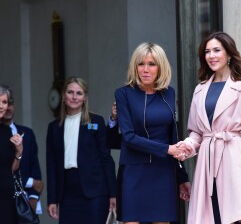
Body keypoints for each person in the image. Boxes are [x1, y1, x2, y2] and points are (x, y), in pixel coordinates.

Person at [175, 31, 241, 224]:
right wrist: (187, 146)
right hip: (206, 161)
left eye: (216, 50)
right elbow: (196, 131)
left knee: (234, 217)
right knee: (209, 216)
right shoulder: (200, 89)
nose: (211, 56)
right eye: (207, 51)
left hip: (233, 158)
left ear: (229, 54)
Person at [114, 42, 191, 224]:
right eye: (141, 64)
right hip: (133, 171)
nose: (145, 69)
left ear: (160, 67)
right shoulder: (123, 94)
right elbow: (129, 137)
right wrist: (167, 149)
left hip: (163, 171)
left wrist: (182, 177)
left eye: (152, 64)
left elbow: (173, 136)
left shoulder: (169, 94)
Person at [46, 76, 117, 224]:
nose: (74, 97)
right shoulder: (54, 128)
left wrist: (113, 193)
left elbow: (106, 158)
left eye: (79, 93)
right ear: (64, 96)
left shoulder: (95, 122)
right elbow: (51, 165)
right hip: (67, 193)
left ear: (84, 98)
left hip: (95, 192)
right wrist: (52, 199)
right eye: (70, 92)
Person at [2, 87, 43, 214]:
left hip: (23, 203)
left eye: (9, 103)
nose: (7, 107)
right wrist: (31, 182)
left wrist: (33, 198)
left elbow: (35, 170)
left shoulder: (27, 133)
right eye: (3, 103)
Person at [0, 84, 24, 223]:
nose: (2, 106)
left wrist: (19, 151)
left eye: (4, 102)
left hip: (6, 197)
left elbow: (12, 169)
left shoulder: (7, 131)